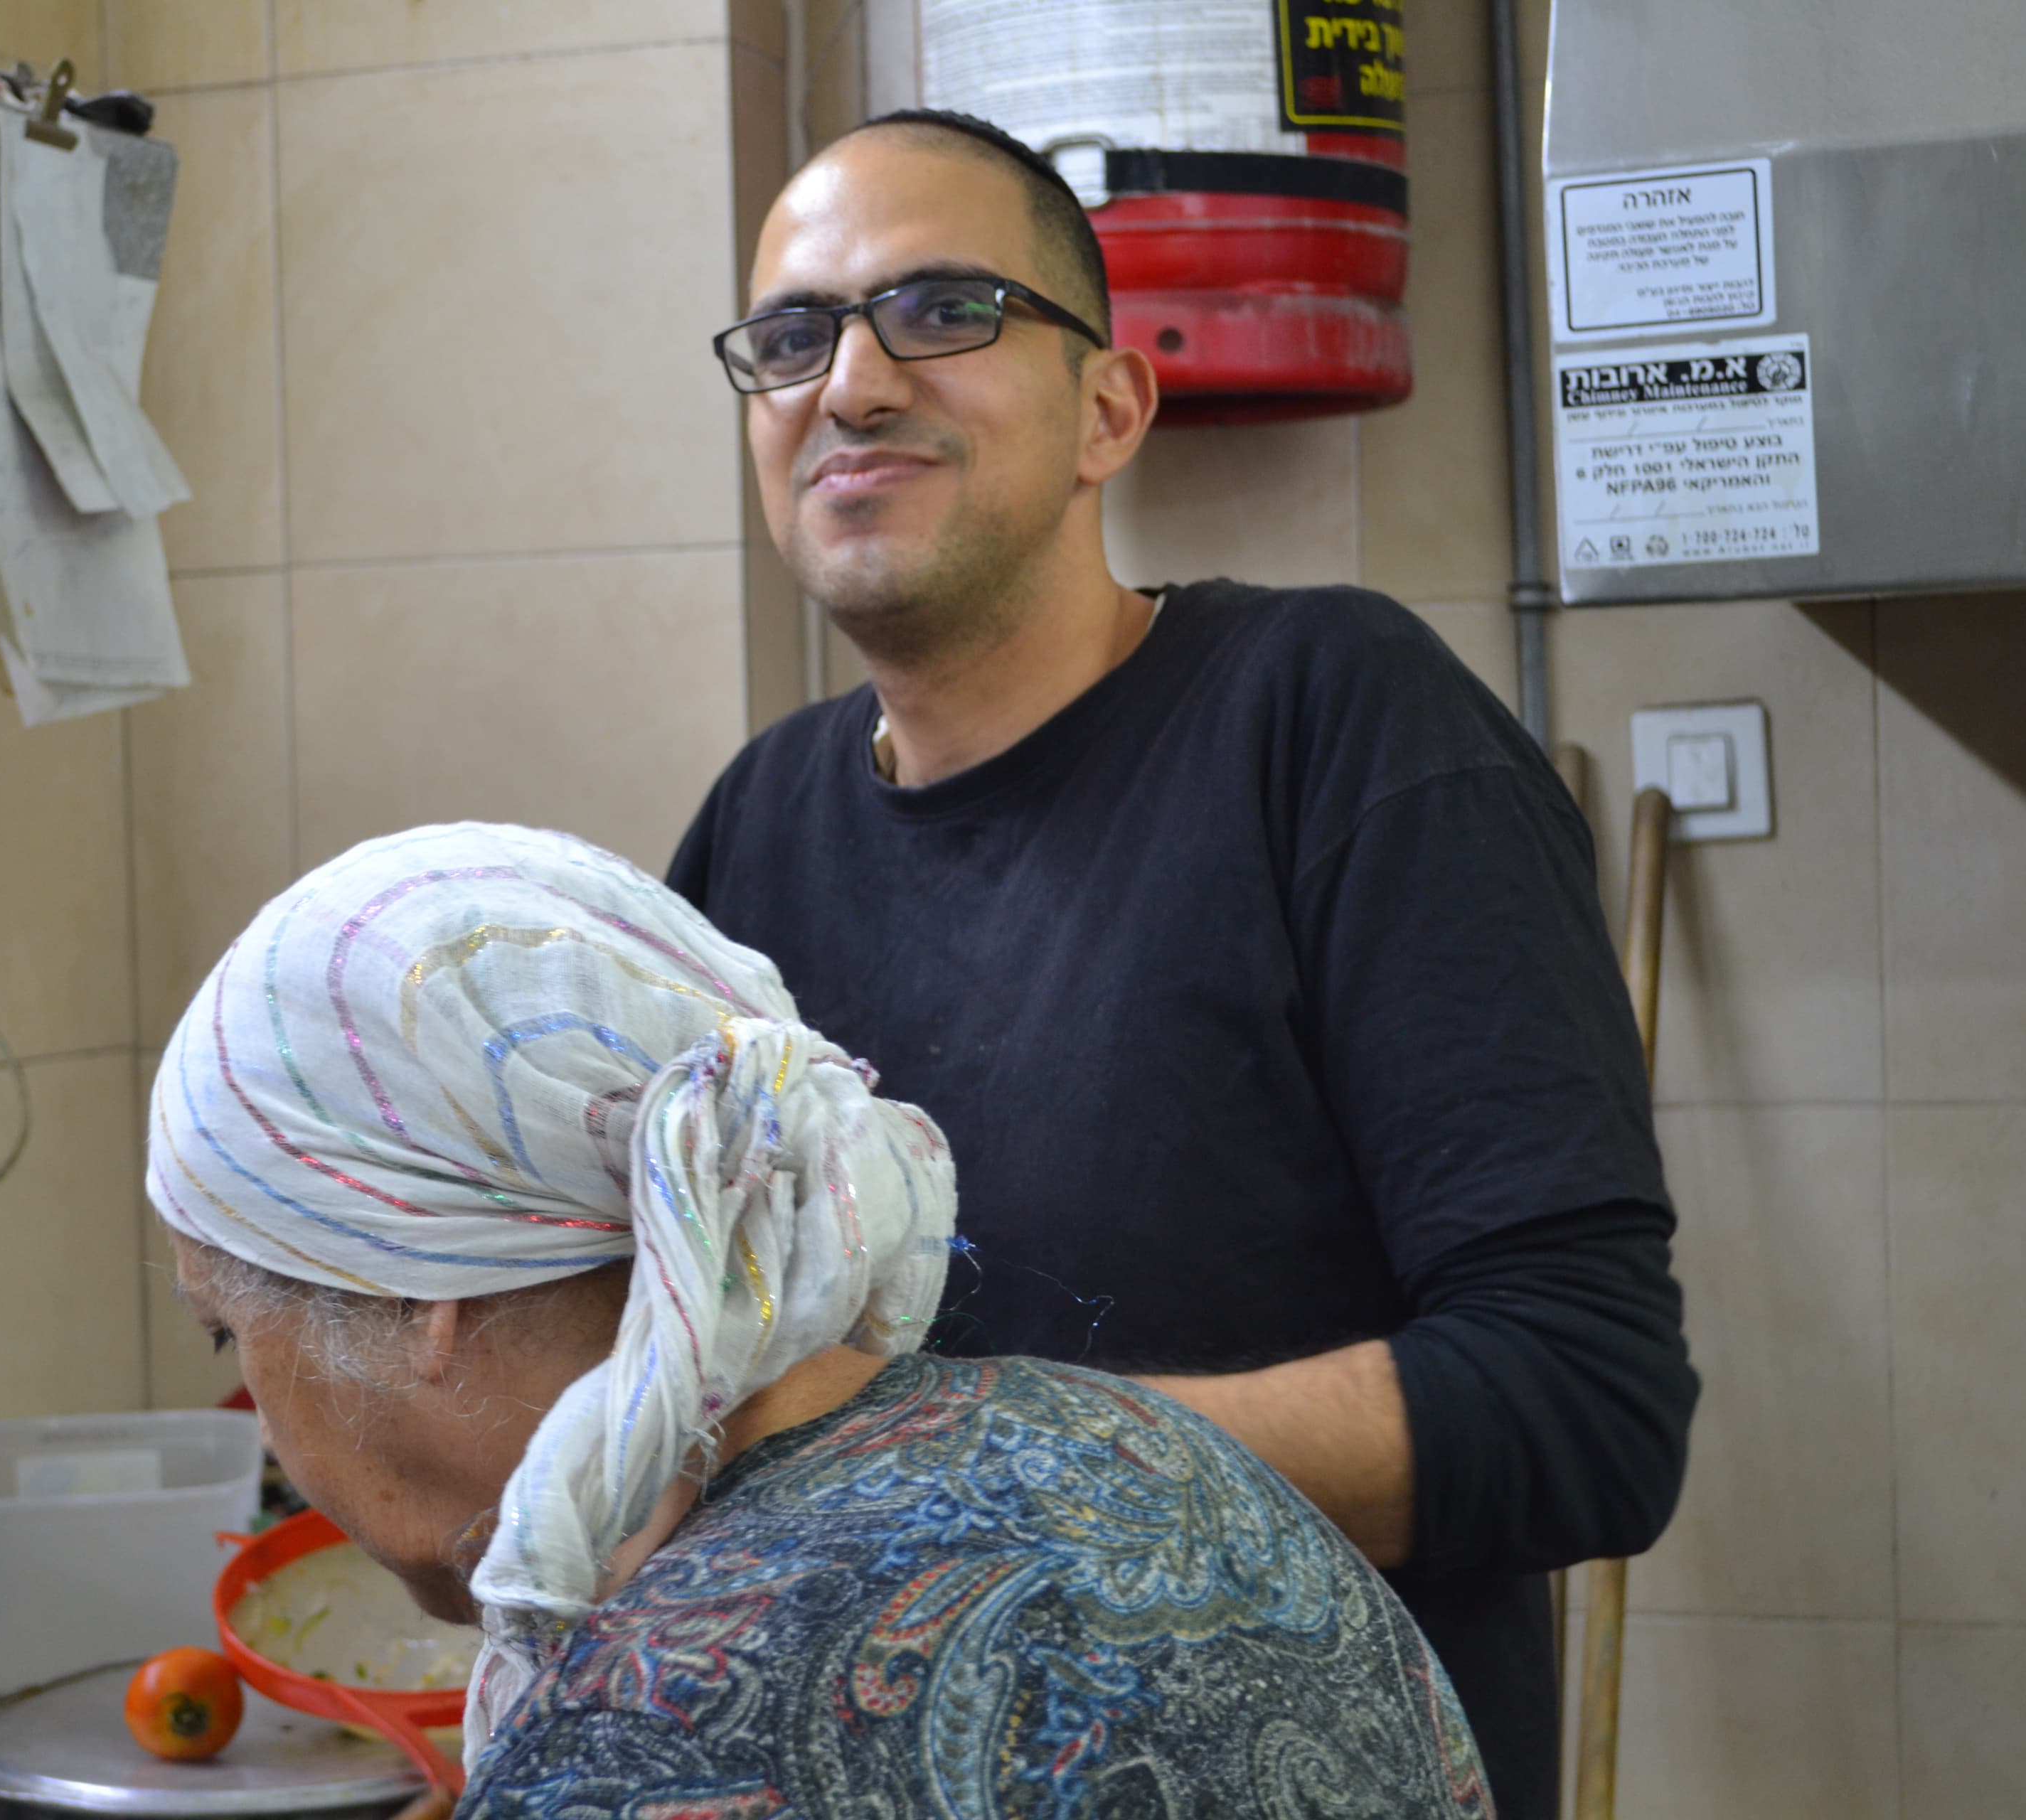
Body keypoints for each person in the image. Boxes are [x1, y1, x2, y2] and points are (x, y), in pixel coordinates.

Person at [668, 109, 1700, 1815]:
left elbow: (1579, 1400)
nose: (848, 383)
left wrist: (934, 1463)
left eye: (940, 310)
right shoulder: (754, 830)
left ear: (1109, 410)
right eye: (794, 335)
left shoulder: (1331, 724)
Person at [150, 822, 1491, 1816]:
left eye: (230, 1332)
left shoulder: (647, 1736)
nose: (267, 1427)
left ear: (412, 1294)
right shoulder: (1156, 1457)